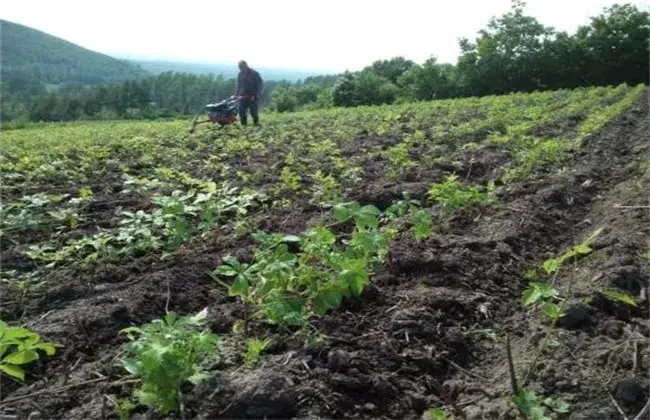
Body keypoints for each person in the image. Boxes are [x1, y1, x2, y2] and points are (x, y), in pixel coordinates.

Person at [234, 60, 263, 126]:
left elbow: (260, 84)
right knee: (241, 112)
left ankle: (256, 124)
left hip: (252, 96)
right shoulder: (240, 74)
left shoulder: (254, 73)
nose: (240, 68)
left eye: (241, 67)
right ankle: (244, 126)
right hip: (242, 96)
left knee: (253, 112)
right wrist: (236, 95)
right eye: (239, 67)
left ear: (246, 66)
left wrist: (258, 94)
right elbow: (238, 84)